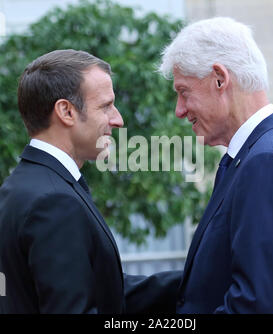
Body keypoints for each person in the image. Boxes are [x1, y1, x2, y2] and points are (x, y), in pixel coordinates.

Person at [0, 49, 180, 314]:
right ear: (66, 111)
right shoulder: (53, 201)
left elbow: (102, 291)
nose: (118, 119)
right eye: (106, 106)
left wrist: (198, 278)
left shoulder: (25, 186)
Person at [159, 17, 273, 313]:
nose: (179, 110)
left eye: (184, 92)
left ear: (220, 79)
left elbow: (253, 305)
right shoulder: (258, 154)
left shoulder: (266, 161)